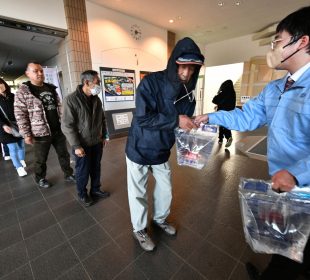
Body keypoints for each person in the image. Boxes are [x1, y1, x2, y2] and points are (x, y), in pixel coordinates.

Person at [195, 6, 310, 280]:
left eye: (278, 41)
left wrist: (297, 172)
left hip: (303, 185)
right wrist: (209, 116)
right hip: (283, 185)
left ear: (302, 41)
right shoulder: (275, 88)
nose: (274, 48)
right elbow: (247, 116)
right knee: (285, 243)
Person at [125, 37, 204, 251]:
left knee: (166, 189)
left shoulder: (189, 92)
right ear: (174, 63)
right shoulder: (151, 83)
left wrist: (192, 125)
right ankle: (139, 229)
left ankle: (160, 219)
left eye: (192, 68)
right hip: (139, 148)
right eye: (182, 66)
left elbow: (181, 122)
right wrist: (177, 120)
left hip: (161, 149)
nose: (186, 73)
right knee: (137, 192)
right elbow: (143, 118)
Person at [14, 62, 75, 188]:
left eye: (41, 71)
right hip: (40, 132)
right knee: (40, 159)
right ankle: (40, 178)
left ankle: (68, 174)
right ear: (28, 73)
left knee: (64, 154)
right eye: (35, 71)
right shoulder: (23, 92)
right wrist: (26, 134)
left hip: (58, 129)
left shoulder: (51, 88)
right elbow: (20, 114)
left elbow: (59, 107)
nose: (40, 73)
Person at [61, 70, 110, 207]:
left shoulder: (96, 99)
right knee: (82, 170)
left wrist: (104, 135)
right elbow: (67, 126)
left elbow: (102, 119)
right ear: (87, 82)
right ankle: (82, 194)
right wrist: (76, 146)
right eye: (97, 82)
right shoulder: (71, 100)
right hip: (81, 145)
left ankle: (95, 189)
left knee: (96, 167)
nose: (99, 84)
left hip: (96, 141)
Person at [0, 78, 27, 176]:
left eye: (1, 84)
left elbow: (21, 110)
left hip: (18, 125)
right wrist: (3, 125)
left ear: (4, 84)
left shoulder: (13, 96)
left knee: (21, 146)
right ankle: (18, 167)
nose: (0, 87)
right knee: (13, 148)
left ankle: (21, 160)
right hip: (5, 128)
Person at [212, 79, 236, 147]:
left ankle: (226, 137)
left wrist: (218, 93)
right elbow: (226, 102)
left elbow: (214, 100)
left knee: (222, 125)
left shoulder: (224, 92)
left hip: (222, 112)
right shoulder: (233, 92)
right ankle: (221, 139)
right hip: (230, 112)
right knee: (224, 125)